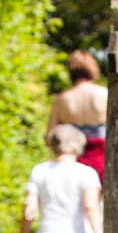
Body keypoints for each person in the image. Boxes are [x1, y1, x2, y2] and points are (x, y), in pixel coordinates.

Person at [46, 50, 107, 186]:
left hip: (72, 160)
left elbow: (49, 138)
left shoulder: (61, 99)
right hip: (102, 160)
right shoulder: (105, 95)